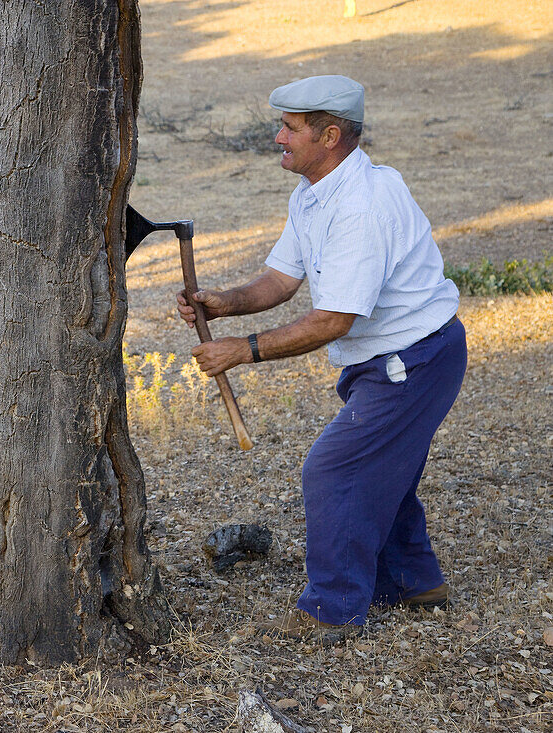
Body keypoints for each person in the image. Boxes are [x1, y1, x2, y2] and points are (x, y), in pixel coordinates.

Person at [176, 76, 466, 644]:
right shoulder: (313, 192)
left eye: (290, 127)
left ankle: (330, 610)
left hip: (414, 361)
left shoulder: (361, 208)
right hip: (388, 360)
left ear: (330, 135)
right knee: (385, 470)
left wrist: (243, 350)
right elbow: (283, 278)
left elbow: (335, 320)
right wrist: (226, 302)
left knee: (336, 470)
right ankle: (414, 583)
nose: (278, 136)